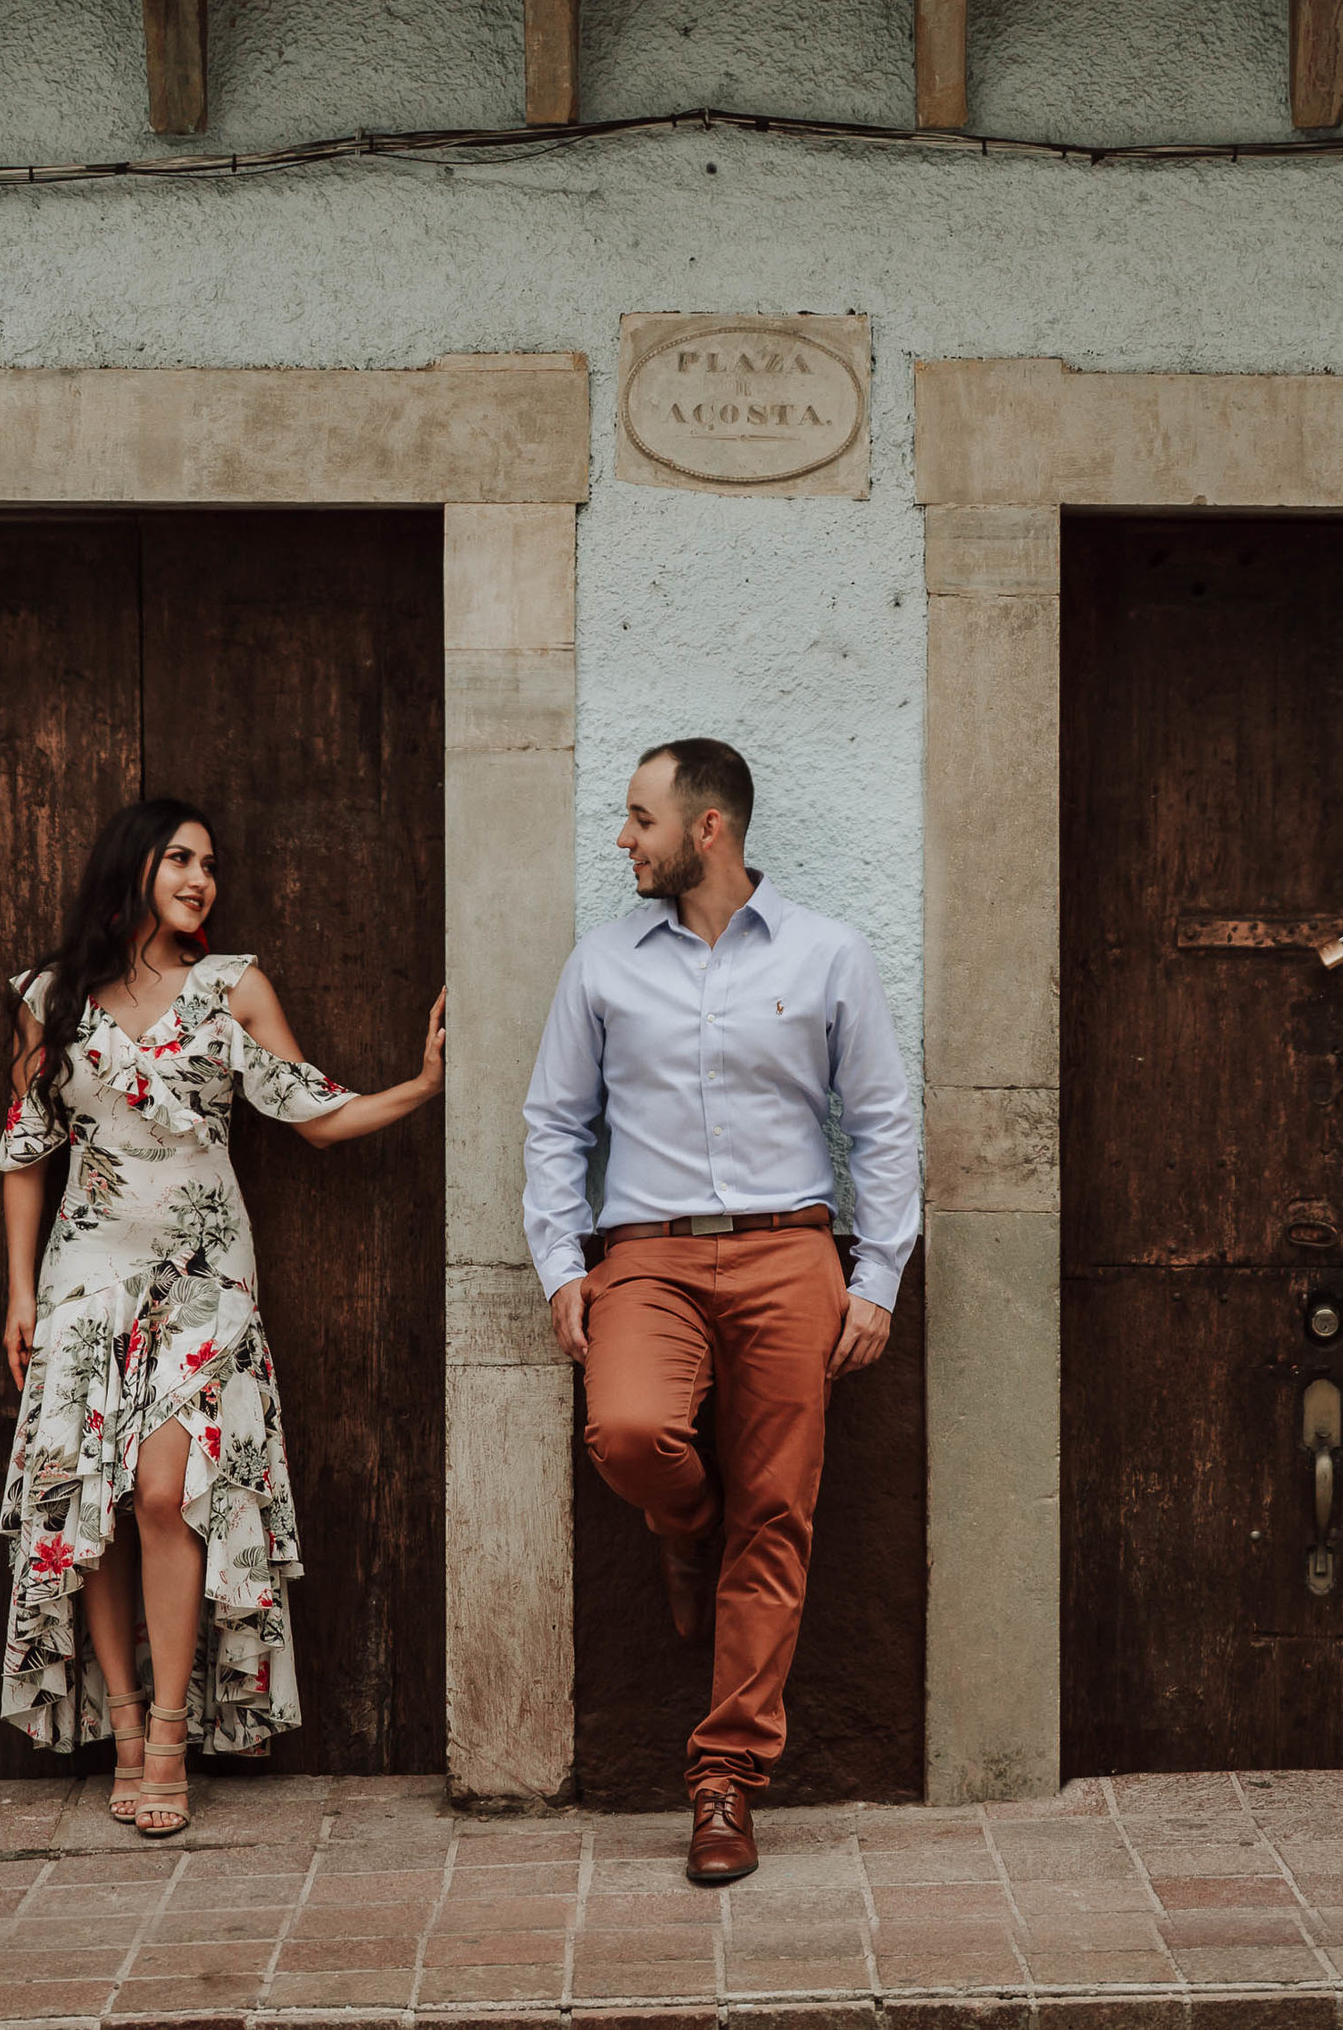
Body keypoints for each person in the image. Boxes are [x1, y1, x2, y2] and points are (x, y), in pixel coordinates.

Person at [0, 796, 444, 1836]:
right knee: (86, 1505)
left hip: (206, 1275)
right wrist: (20, 1291)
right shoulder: (49, 995)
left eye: (210, 864)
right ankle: (117, 1723)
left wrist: (422, 1085)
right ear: (134, 865)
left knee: (164, 1490)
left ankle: (167, 1734)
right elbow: (25, 1148)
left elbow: (314, 1113)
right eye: (181, 857)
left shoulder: (232, 984)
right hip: (85, 1274)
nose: (201, 877)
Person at [522, 740, 917, 1885]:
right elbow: (555, 1124)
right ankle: (684, 1526)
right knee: (630, 1435)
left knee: (779, 1512)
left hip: (792, 1249)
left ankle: (724, 1778)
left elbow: (880, 1120)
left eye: (638, 818)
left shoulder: (828, 953)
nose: (622, 839)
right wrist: (561, 1264)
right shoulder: (601, 964)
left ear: (707, 829)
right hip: (643, 1256)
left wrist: (877, 1273)